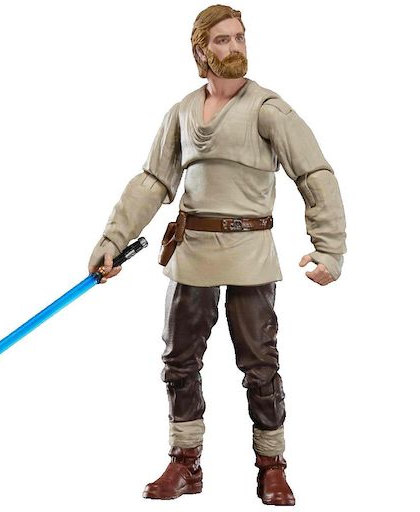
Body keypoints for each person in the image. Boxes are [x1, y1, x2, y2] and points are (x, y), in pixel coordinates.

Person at [88, 4, 346, 506]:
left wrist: (329, 249)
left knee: (261, 365)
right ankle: (185, 462)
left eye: (240, 37)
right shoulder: (182, 111)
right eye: (222, 40)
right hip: (193, 253)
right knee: (179, 361)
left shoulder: (269, 109)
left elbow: (314, 174)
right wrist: (113, 240)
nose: (234, 47)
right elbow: (153, 181)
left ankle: (272, 466)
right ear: (201, 50)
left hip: (250, 255)